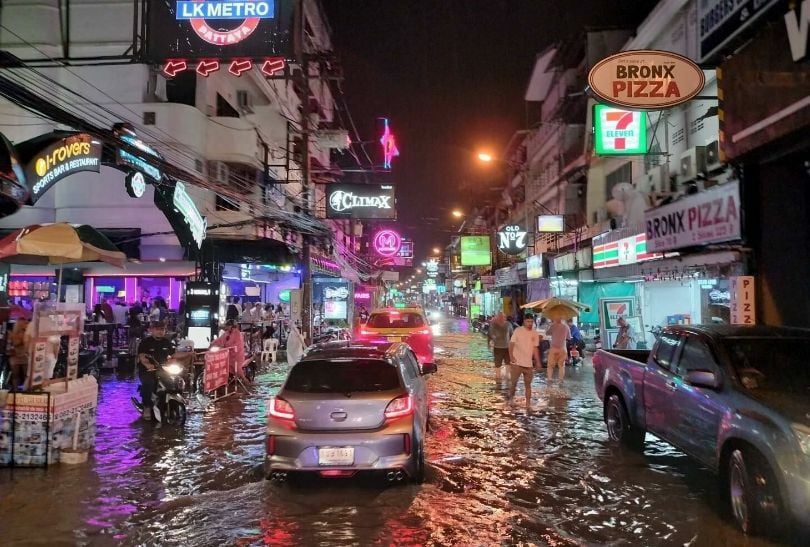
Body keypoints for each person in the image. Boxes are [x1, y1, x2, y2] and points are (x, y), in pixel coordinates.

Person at [136, 320, 177, 420]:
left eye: (162, 329)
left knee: (173, 383)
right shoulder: (145, 342)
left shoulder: (166, 342)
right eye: (157, 329)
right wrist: (148, 365)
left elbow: (173, 355)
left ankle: (172, 405)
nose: (160, 332)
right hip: (148, 371)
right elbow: (142, 356)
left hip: (162, 370)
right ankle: (147, 407)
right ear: (152, 330)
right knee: (149, 383)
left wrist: (188, 354)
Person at [508, 314, 541, 408]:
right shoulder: (518, 331)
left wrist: (538, 361)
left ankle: (528, 405)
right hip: (516, 363)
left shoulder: (535, 333)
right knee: (513, 383)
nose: (530, 323)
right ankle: (511, 399)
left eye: (531, 322)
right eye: (528, 321)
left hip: (528, 364)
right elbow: (511, 344)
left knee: (528, 385)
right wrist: (511, 357)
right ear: (524, 321)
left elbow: (535, 348)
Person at [487, 312, 513, 383]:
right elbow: (489, 335)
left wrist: (513, 346)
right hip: (497, 348)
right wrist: (489, 344)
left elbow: (512, 335)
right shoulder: (493, 325)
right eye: (500, 317)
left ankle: (508, 377)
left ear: (505, 318)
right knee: (498, 364)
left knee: (508, 363)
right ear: (497, 318)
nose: (502, 318)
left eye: (503, 317)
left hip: (507, 348)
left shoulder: (508, 325)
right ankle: (498, 378)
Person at [545, 318, 571, 385]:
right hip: (562, 348)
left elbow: (547, 333)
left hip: (554, 348)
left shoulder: (553, 326)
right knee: (561, 366)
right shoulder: (566, 326)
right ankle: (560, 381)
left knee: (550, 366)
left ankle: (550, 379)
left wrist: (549, 326)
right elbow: (569, 337)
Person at [8, 317, 29, 389]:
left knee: (26, 374)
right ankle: (15, 390)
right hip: (15, 356)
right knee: (15, 375)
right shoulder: (12, 333)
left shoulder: (26, 333)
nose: (25, 324)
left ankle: (26, 389)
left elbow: (21, 342)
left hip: (24, 355)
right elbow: (15, 343)